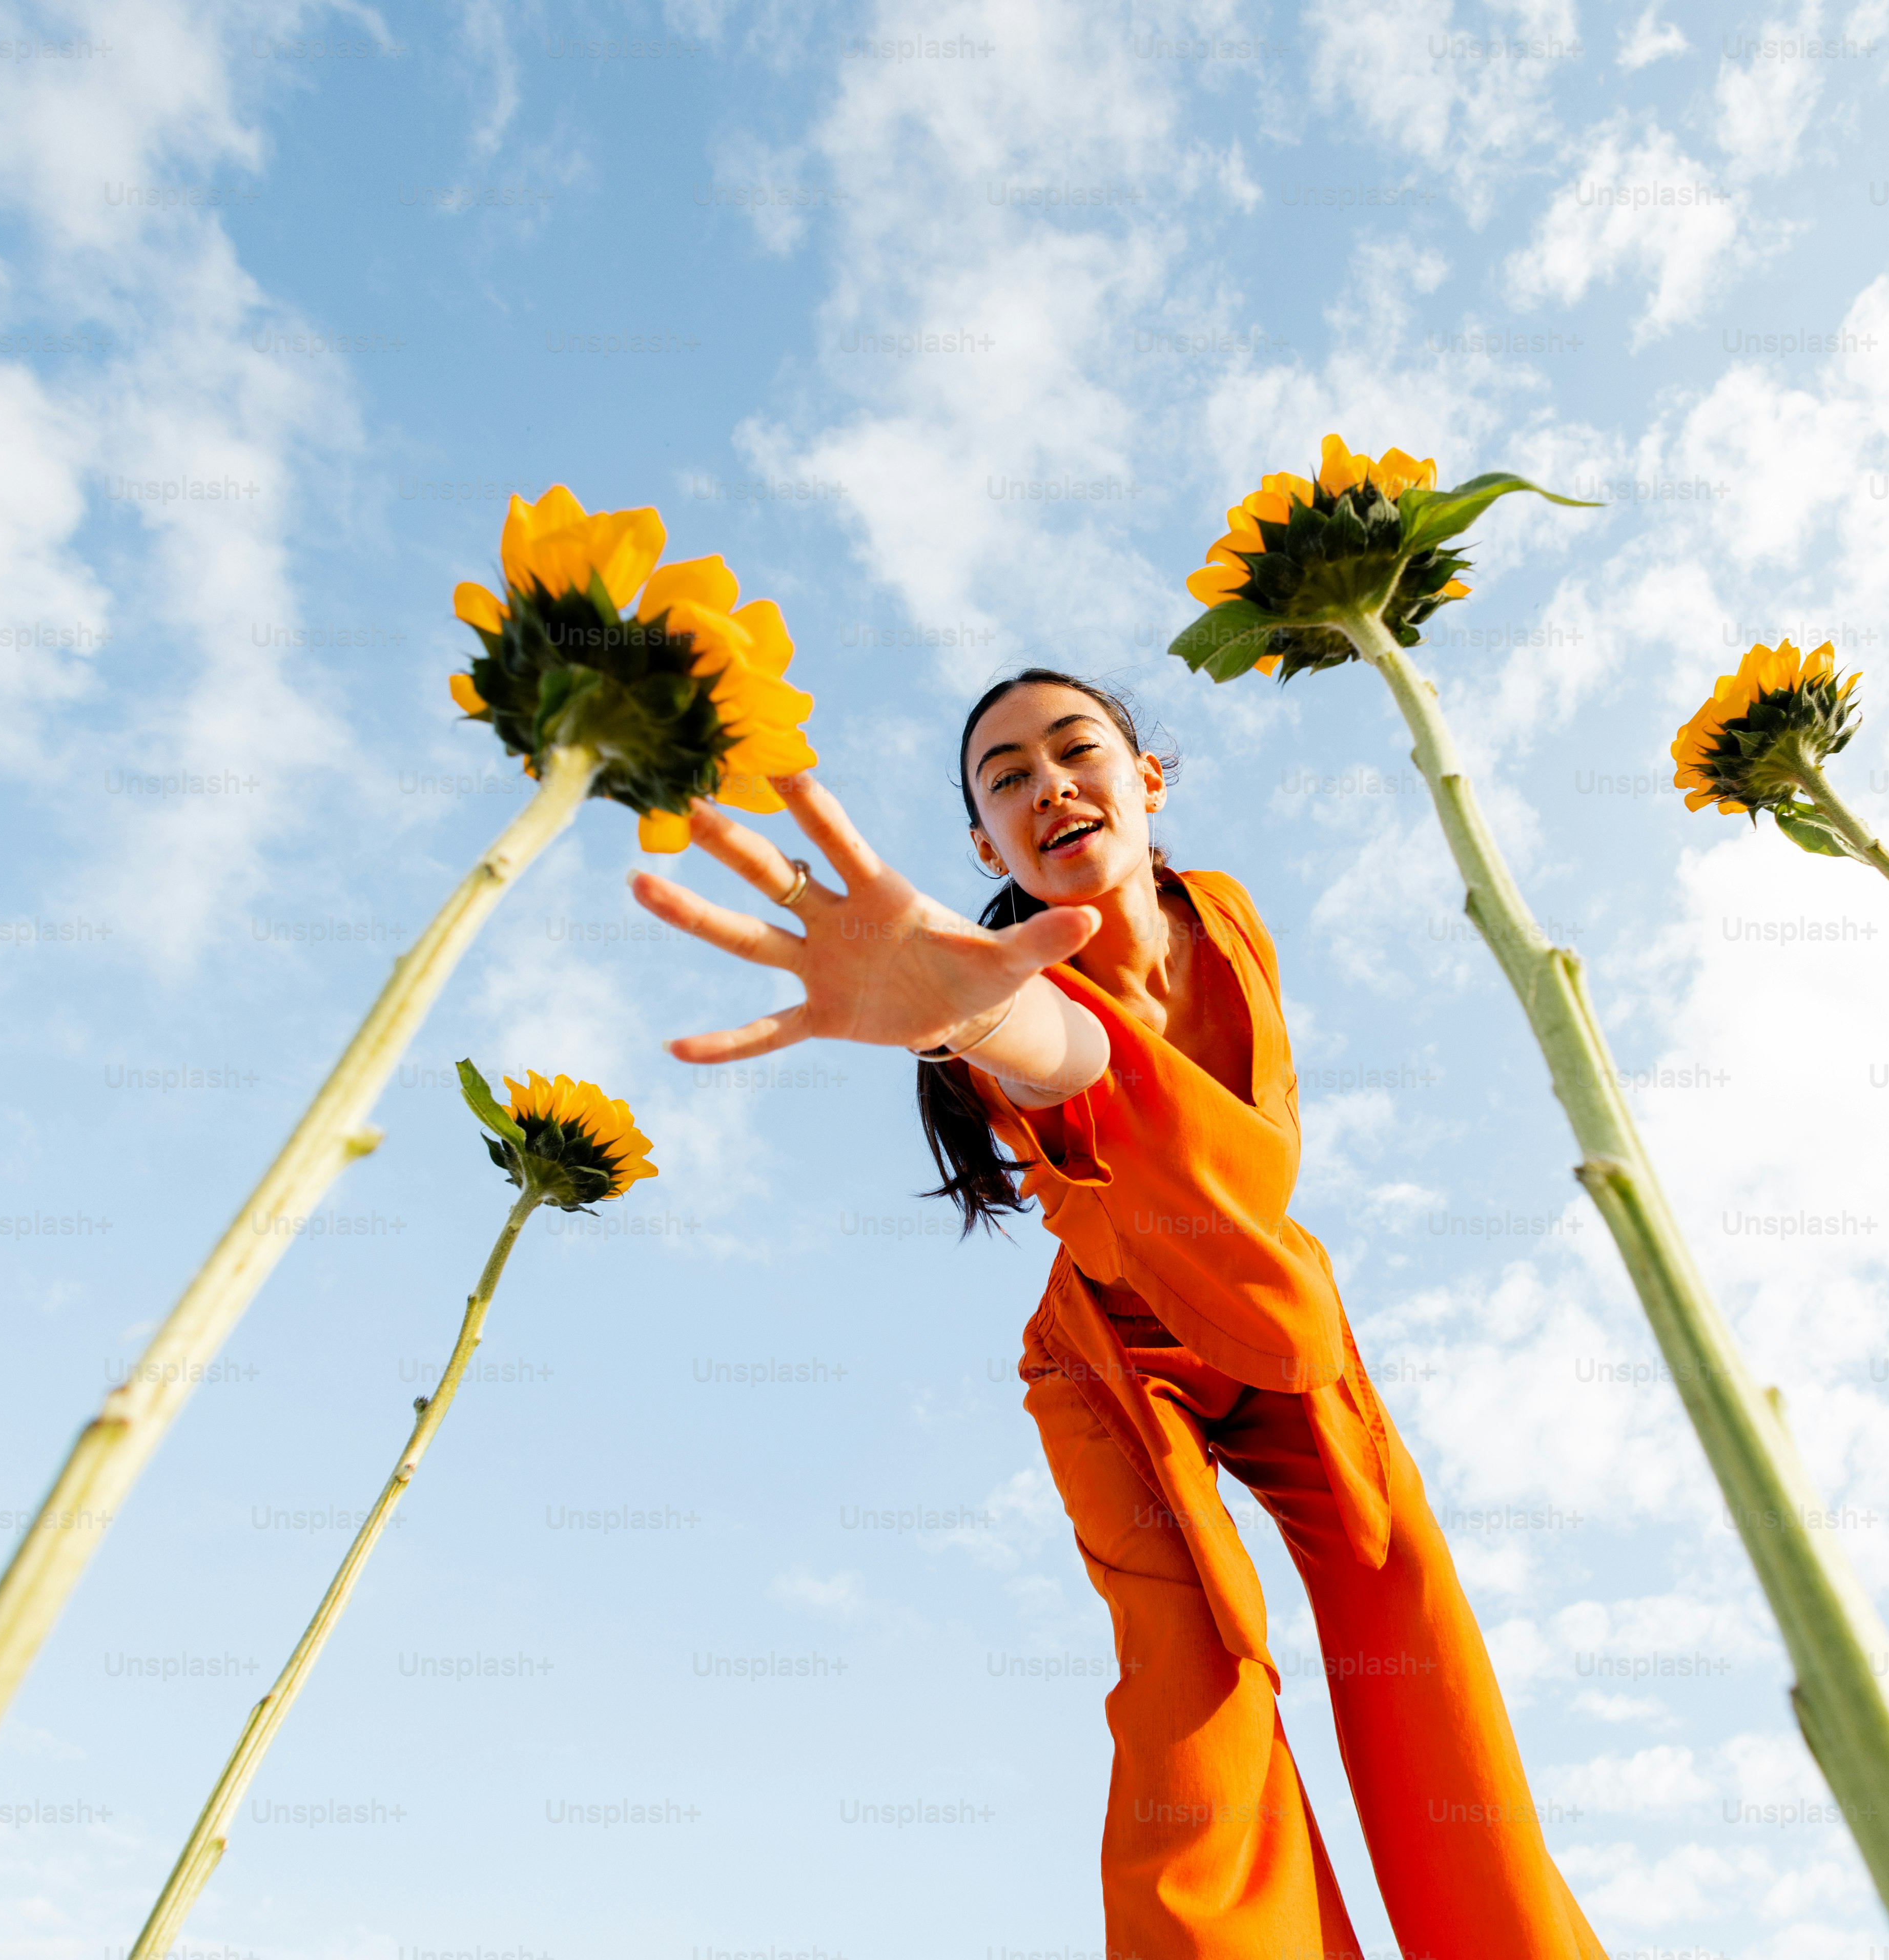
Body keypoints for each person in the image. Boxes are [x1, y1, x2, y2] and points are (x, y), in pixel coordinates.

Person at [628, 668, 1608, 1960]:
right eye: (1006, 778)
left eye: (1071, 750)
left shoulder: (1226, 918)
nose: (1046, 785)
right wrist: (972, 1009)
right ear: (988, 846)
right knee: (1193, 1673)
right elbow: (1070, 1053)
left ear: (1147, 782)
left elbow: (1250, 1165)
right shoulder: (1007, 1003)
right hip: (1111, 1354)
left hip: (1278, 1318)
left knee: (1406, 1616)